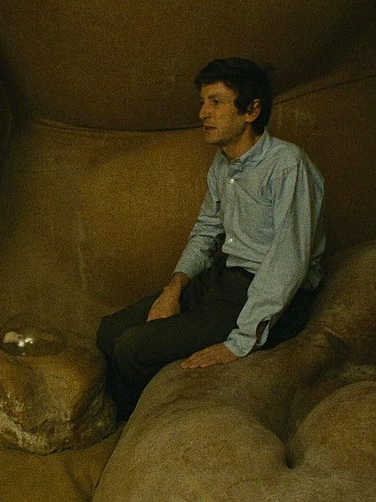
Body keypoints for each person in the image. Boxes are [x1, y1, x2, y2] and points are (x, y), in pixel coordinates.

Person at [96, 57, 326, 420]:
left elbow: (288, 262)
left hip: (270, 293)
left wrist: (238, 343)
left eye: (215, 102)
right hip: (224, 278)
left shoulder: (287, 165)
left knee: (132, 349)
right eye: (203, 102)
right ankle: (124, 413)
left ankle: (134, 429)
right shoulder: (222, 164)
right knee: (110, 332)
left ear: (251, 111)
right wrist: (173, 290)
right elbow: (205, 232)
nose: (203, 112)